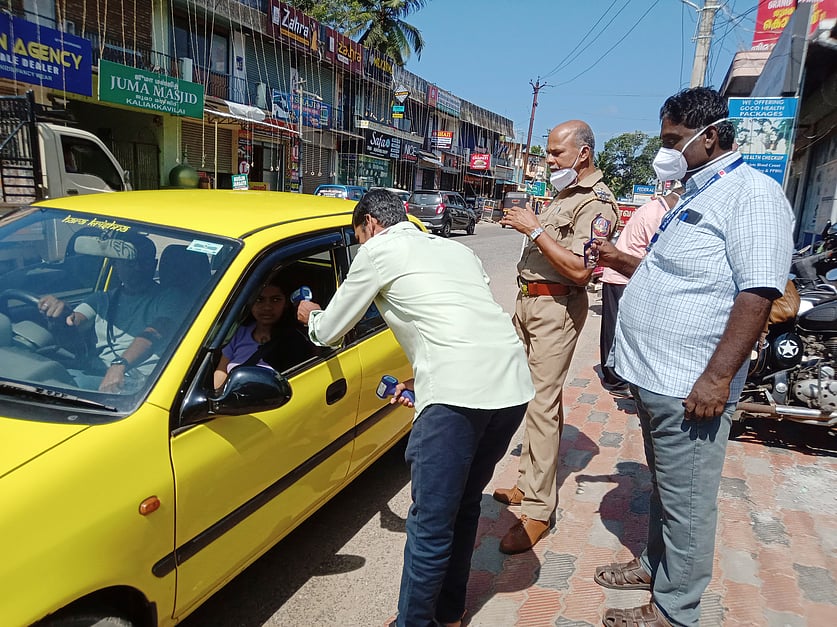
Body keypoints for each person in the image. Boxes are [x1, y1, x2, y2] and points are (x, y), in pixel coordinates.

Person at [591, 87, 793, 627]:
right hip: (656, 377)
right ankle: (655, 566)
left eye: (674, 140)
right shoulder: (694, 193)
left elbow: (758, 293)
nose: (666, 151)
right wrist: (620, 260)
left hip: (691, 385)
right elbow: (677, 276)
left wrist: (717, 378)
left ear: (713, 136)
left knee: (688, 501)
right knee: (666, 487)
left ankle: (674, 610)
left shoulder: (752, 195)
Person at [295, 189, 534, 627]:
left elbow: (329, 332)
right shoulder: (456, 250)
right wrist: (420, 382)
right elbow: (460, 322)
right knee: (464, 507)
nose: (361, 246)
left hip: (457, 397)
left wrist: (309, 312)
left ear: (369, 224)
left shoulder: (377, 250)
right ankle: (449, 614)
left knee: (430, 526)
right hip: (512, 386)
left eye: (358, 238)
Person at [494, 119, 618, 554]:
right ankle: (529, 484)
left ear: (583, 153)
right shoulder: (565, 195)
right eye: (548, 152)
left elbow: (582, 269)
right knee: (533, 399)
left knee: (541, 405)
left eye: (555, 153)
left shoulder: (597, 203)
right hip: (530, 302)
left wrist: (534, 229)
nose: (548, 160)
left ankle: (538, 511)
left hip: (557, 307)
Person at [38, 232, 184, 393]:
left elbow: (155, 333)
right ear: (115, 264)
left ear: (154, 264)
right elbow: (74, 321)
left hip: (139, 383)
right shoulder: (101, 299)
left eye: (145, 262)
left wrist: (120, 365)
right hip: (98, 372)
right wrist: (60, 313)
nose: (138, 268)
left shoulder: (170, 298)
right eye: (130, 263)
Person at [598, 187, 681, 397]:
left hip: (625, 273)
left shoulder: (655, 209)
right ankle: (615, 380)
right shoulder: (658, 214)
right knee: (614, 329)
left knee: (619, 328)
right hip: (621, 276)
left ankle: (618, 375)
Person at [213, 276, 313, 389]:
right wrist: (219, 395)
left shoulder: (295, 341)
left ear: (286, 303)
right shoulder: (238, 332)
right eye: (259, 300)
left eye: (275, 300)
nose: (267, 307)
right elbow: (221, 371)